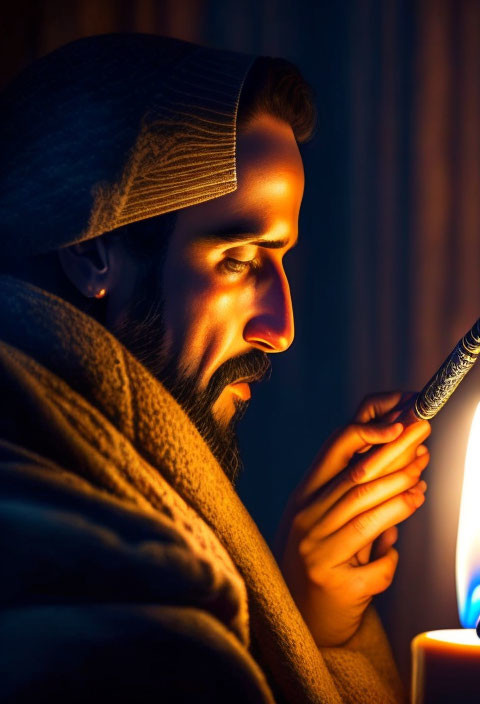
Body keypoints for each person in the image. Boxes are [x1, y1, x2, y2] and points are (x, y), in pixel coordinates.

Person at [0, 33, 429, 703]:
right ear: (92, 255)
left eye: (280, 257)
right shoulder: (128, 609)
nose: (281, 330)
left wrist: (306, 625)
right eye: (237, 260)